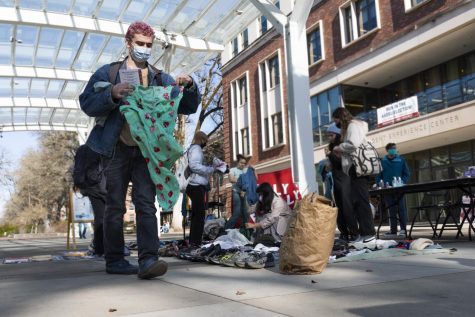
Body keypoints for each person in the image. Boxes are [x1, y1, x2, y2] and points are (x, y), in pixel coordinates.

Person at [79, 21, 200, 279]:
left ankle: (148, 260)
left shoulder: (159, 78)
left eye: (149, 45)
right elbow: (87, 103)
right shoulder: (108, 73)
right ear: (128, 43)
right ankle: (115, 260)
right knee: (114, 206)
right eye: (140, 44)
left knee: (146, 203)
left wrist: (188, 86)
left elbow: (187, 106)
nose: (145, 49)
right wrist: (111, 93)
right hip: (115, 149)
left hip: (147, 151)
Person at [331, 107, 376, 245]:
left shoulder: (352, 125)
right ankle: (365, 233)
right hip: (356, 167)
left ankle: (368, 233)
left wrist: (338, 148)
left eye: (336, 121)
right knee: (358, 201)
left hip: (357, 167)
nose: (336, 124)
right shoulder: (354, 126)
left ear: (341, 117)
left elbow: (353, 144)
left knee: (361, 201)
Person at [186, 131, 216, 248]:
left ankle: (193, 241)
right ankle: (195, 242)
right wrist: (210, 169)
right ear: (202, 140)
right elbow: (194, 166)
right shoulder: (197, 149)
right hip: (196, 185)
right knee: (199, 214)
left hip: (194, 184)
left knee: (196, 214)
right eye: (206, 141)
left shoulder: (192, 149)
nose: (206, 143)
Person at [325, 123, 354, 241]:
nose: (329, 137)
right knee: (339, 207)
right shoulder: (331, 147)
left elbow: (341, 162)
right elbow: (333, 164)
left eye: (331, 135)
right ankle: (344, 232)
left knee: (347, 207)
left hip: (345, 179)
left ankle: (353, 232)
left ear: (337, 135)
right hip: (336, 180)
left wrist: (330, 155)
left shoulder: (342, 146)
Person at [376, 143, 411, 237]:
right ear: (387, 150)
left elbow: (406, 173)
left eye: (395, 148)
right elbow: (379, 176)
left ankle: (403, 229)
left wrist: (401, 181)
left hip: (399, 188)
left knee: (401, 209)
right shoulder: (382, 162)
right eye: (392, 149)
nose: (394, 150)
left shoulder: (401, 160)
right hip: (388, 189)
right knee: (391, 209)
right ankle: (393, 230)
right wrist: (379, 184)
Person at [225, 154, 253, 232]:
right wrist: (242, 180)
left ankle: (246, 231)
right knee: (237, 212)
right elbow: (231, 179)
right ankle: (226, 229)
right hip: (236, 192)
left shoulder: (246, 170)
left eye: (244, 163)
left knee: (245, 213)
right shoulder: (232, 170)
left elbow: (250, 180)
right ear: (237, 162)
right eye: (241, 163)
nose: (243, 165)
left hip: (245, 193)